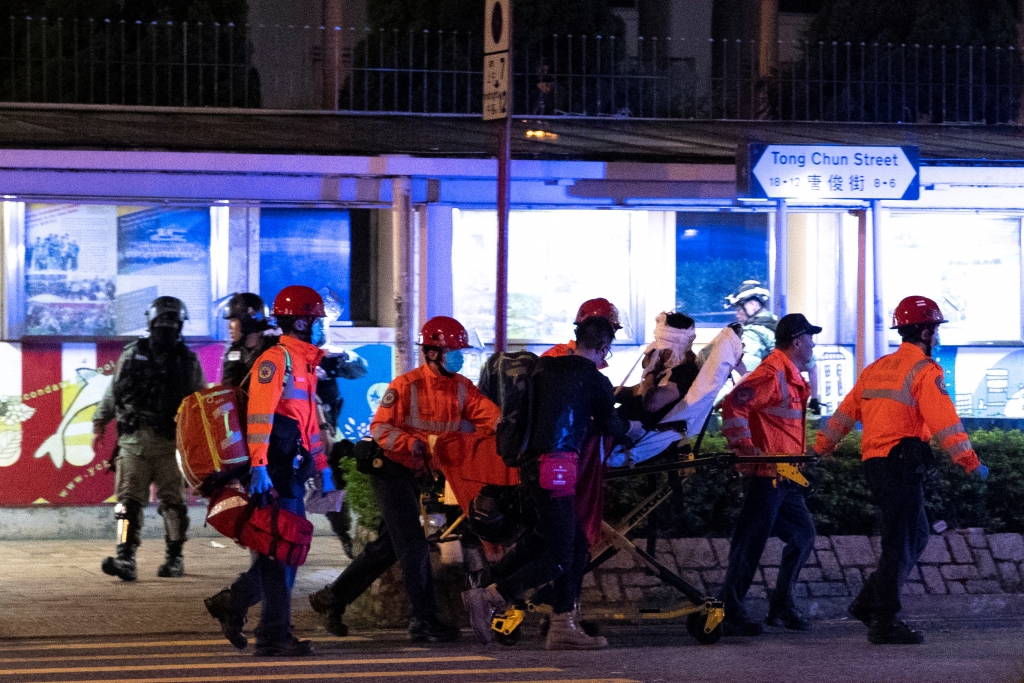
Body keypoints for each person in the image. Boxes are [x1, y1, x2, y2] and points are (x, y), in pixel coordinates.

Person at [309, 316, 500, 642]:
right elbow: (380, 429)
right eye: (454, 350)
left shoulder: (462, 389)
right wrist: (411, 443)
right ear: (433, 352)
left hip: (416, 473)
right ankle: (423, 620)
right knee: (412, 544)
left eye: (460, 351)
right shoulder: (405, 386)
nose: (460, 356)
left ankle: (332, 598)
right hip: (391, 468)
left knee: (389, 546)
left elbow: (491, 419)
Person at [813, 295, 988, 645]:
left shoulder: (877, 368)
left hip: (876, 465)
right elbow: (945, 422)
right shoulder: (924, 371)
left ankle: (868, 603)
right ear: (924, 331)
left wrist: (820, 448)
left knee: (916, 534)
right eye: (934, 329)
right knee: (900, 540)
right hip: (901, 465)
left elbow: (845, 413)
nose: (936, 336)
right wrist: (969, 461)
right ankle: (883, 620)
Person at [462, 315, 629, 650]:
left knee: (561, 542)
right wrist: (627, 426)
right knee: (562, 554)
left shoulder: (546, 369)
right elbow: (612, 426)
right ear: (603, 346)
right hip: (557, 470)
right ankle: (492, 596)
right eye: (607, 351)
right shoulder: (594, 381)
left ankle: (561, 624)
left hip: (529, 467)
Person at [219, 285, 336, 657]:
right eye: (317, 319)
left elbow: (308, 423)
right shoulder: (276, 359)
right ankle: (271, 633)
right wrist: (259, 466)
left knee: (283, 548)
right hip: (275, 468)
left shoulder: (304, 362)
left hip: (293, 466)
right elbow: (259, 414)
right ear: (302, 321)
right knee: (281, 549)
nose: (321, 325)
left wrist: (322, 466)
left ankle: (238, 606)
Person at [718, 313, 821, 637]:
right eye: (811, 338)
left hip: (785, 477)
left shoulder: (788, 375)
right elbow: (733, 405)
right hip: (766, 474)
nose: (814, 344)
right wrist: (744, 446)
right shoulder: (772, 372)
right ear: (797, 341)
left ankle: (780, 605)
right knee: (750, 543)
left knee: (803, 535)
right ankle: (731, 611)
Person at [93, 296, 206, 582]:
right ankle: (125, 558)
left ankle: (174, 558)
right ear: (151, 323)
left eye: (172, 323)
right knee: (127, 504)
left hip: (170, 445)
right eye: (162, 322)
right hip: (134, 442)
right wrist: (99, 422)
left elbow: (200, 402)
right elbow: (114, 391)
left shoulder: (187, 361)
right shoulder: (133, 354)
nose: (167, 328)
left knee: (173, 505)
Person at [219, 292, 277, 391]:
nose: (229, 326)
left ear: (247, 320)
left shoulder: (273, 350)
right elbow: (227, 388)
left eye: (233, 319)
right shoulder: (233, 351)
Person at [724, 280, 778, 373]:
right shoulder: (780, 327)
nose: (737, 315)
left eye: (739, 309)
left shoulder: (752, 333)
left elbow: (747, 370)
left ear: (753, 305)